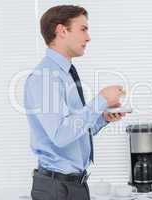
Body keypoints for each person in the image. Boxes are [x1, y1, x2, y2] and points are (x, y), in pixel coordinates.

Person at [24, 5, 126, 200]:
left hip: (74, 186)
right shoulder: (46, 77)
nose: (88, 37)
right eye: (83, 29)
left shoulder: (65, 74)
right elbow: (61, 135)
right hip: (57, 189)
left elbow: (73, 132)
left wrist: (101, 118)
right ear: (62, 31)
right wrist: (101, 100)